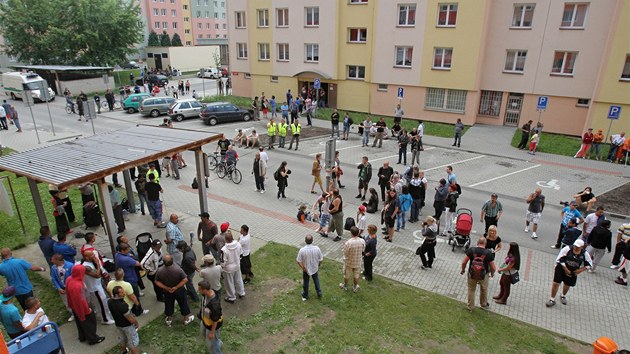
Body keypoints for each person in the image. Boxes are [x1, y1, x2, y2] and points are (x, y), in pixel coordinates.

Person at [66, 264, 106, 345]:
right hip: (81, 308)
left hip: (74, 306)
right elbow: (82, 299)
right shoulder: (78, 285)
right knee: (89, 322)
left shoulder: (69, 279)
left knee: (79, 322)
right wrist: (87, 310)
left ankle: (82, 336)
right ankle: (93, 339)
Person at [546, 239, 592, 307]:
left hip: (572, 271)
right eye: (575, 246)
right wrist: (566, 269)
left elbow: (589, 264)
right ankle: (552, 299)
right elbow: (559, 260)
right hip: (561, 268)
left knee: (567, 284)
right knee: (556, 283)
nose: (576, 248)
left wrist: (580, 270)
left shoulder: (585, 254)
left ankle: (563, 296)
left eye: (578, 247)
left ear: (582, 247)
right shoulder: (567, 249)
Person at [155, 255, 195, 327]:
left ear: (163, 262)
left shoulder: (160, 270)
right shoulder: (178, 269)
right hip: (179, 290)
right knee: (183, 303)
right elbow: (185, 279)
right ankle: (186, 319)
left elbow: (157, 282)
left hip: (167, 291)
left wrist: (166, 288)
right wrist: (176, 287)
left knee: (168, 304)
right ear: (172, 260)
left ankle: (169, 319)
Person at [460, 237, 496, 312]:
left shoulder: (471, 250)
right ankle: (483, 304)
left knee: (471, 289)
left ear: (477, 242)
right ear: (485, 244)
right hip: (484, 275)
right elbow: (493, 267)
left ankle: (470, 307)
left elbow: (464, 262)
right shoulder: (489, 253)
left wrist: (463, 270)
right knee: (483, 289)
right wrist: (492, 274)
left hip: (472, 273)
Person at [81, 250, 115, 325]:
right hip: (95, 288)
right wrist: (98, 265)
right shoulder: (86, 266)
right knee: (102, 303)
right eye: (91, 255)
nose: (94, 256)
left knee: (102, 302)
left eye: (93, 254)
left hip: (98, 285)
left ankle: (103, 315)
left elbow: (100, 272)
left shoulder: (92, 262)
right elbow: (96, 275)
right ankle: (105, 319)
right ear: (86, 257)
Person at [108, 286, 141, 354]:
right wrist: (136, 322)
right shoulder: (123, 306)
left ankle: (124, 351)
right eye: (122, 292)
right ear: (117, 294)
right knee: (132, 342)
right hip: (127, 326)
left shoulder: (110, 301)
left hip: (118, 325)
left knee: (122, 339)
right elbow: (129, 318)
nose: (124, 293)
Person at [198, 281, 224, 354]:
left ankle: (216, 351)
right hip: (205, 321)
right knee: (203, 333)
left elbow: (215, 320)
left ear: (205, 290)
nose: (198, 290)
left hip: (212, 325)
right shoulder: (205, 294)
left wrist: (212, 333)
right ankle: (218, 342)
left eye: (200, 289)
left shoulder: (214, 305)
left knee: (212, 342)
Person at [296, 235, 324, 301]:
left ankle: (305, 295)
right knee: (316, 279)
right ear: (312, 240)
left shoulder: (302, 250)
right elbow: (321, 259)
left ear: (305, 241)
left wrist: (303, 268)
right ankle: (319, 292)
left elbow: (298, 261)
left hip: (306, 268)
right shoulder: (317, 248)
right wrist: (318, 265)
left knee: (306, 281)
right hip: (314, 267)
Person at [221, 232, 246, 303]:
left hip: (228, 269)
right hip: (237, 265)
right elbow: (241, 254)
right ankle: (241, 292)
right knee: (238, 279)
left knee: (229, 283)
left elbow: (223, 261)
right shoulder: (238, 244)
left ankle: (231, 297)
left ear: (225, 239)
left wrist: (222, 267)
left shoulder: (224, 249)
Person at [339, 227, 366, 292]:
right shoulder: (362, 241)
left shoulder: (349, 242)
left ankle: (345, 286)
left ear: (351, 233)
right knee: (356, 275)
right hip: (358, 261)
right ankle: (355, 287)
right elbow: (363, 249)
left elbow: (345, 253)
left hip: (349, 262)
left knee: (347, 275)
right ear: (358, 233)